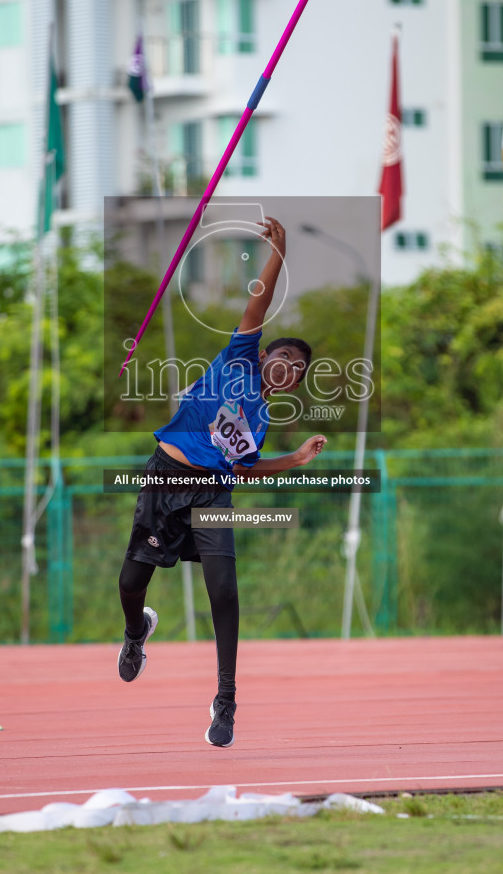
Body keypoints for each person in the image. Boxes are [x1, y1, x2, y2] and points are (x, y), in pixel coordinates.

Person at [117, 216, 327, 747]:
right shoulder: (237, 358)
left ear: (294, 384)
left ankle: (226, 701)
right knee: (128, 584)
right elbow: (259, 303)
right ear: (263, 356)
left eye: (298, 369)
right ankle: (136, 631)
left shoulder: (261, 418)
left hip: (212, 492)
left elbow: (247, 467)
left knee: (224, 592)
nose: (290, 366)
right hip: (165, 478)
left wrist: (295, 459)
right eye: (284, 356)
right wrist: (277, 253)